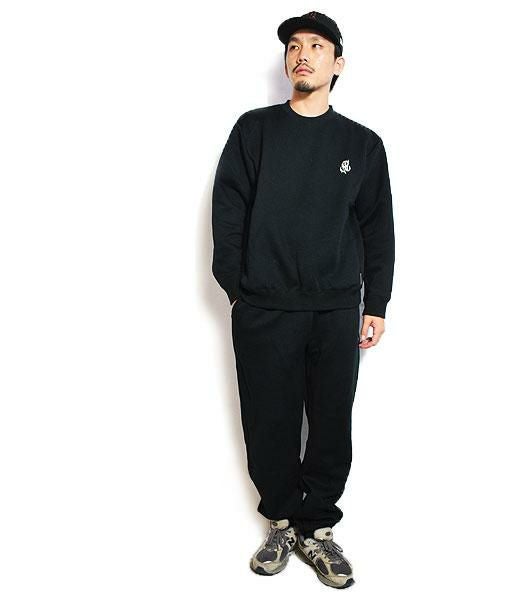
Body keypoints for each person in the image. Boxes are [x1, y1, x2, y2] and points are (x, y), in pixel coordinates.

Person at [211, 11, 395, 589]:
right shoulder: (255, 131)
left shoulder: (361, 144)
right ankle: (281, 522)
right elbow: (228, 210)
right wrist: (240, 289)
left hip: (335, 308)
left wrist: (376, 303)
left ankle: (318, 529)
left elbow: (378, 228)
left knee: (331, 421)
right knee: (269, 420)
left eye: (317, 46)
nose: (302, 54)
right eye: (294, 45)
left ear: (338, 64)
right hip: (265, 307)